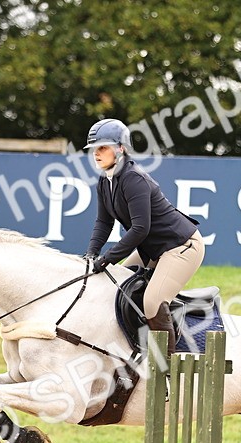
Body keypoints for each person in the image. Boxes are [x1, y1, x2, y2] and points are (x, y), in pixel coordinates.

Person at [82, 118, 204, 360]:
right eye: (94, 148)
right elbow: (104, 223)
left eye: (103, 147)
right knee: (115, 288)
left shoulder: (133, 178)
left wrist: (107, 258)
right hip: (153, 250)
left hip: (182, 246)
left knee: (152, 301)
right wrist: (91, 253)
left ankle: (167, 368)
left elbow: (140, 229)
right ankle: (131, 352)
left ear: (121, 149)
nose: (96, 153)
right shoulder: (104, 181)